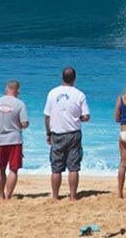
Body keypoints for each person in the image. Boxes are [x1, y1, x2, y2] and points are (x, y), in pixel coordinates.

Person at [44, 66, 90, 201]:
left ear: (62, 78)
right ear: (74, 78)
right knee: (73, 167)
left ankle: (55, 196)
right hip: (74, 133)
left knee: (56, 168)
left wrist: (48, 133)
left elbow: (47, 116)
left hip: (57, 134)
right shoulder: (79, 94)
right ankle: (73, 196)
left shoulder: (52, 93)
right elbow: (86, 116)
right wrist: (79, 118)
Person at [0, 80, 30, 200]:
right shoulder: (20, 104)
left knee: (1, 167)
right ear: (17, 90)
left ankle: (1, 195)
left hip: (0, 139)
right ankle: (8, 196)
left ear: (7, 88)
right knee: (13, 169)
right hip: (14, 140)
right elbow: (24, 123)